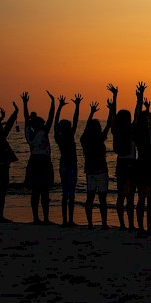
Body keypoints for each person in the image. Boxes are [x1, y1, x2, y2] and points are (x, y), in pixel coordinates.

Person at [111, 83, 143, 230]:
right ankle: (129, 224)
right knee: (129, 196)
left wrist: (115, 96)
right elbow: (137, 113)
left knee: (121, 195)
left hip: (122, 164)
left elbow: (113, 114)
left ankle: (124, 224)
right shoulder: (129, 129)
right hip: (130, 164)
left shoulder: (116, 130)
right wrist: (139, 98)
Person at [81, 90, 115, 229]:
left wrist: (91, 113)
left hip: (90, 171)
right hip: (101, 171)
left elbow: (86, 129)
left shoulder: (85, 140)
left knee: (90, 198)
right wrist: (111, 110)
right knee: (102, 199)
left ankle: (90, 224)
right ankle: (104, 223)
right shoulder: (99, 138)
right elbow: (108, 125)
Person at [21, 91, 56, 224]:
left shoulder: (29, 133)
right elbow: (51, 117)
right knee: (44, 192)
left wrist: (25, 104)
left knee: (36, 192)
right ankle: (43, 218)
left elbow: (26, 119)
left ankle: (37, 217)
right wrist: (53, 103)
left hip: (34, 162)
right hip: (43, 162)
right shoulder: (42, 131)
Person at [54, 94, 82, 226]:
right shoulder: (65, 138)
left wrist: (60, 107)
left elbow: (57, 123)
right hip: (69, 167)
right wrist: (77, 106)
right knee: (70, 195)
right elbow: (74, 121)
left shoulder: (60, 137)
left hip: (66, 166)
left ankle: (67, 220)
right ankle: (68, 220)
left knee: (67, 195)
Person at [134, 95, 151, 236]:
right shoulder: (139, 134)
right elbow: (137, 119)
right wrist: (139, 100)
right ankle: (141, 228)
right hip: (142, 166)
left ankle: (148, 227)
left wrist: (147, 109)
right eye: (146, 119)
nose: (149, 121)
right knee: (142, 198)